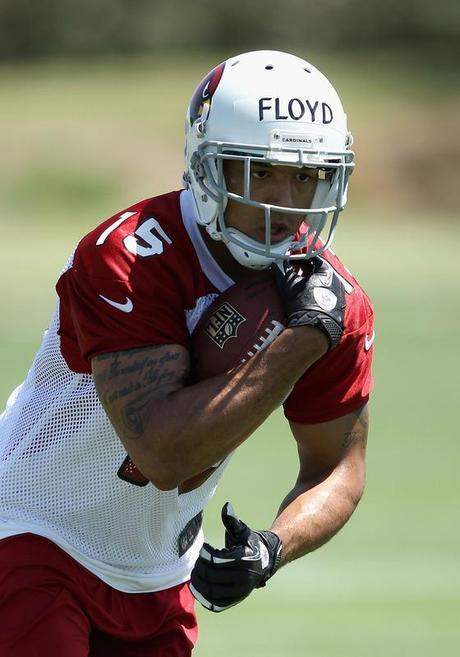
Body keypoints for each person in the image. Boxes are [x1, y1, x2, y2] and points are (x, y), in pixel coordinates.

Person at [0, 50, 374, 656]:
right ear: (210, 169)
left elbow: (335, 467)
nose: (285, 201)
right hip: (33, 533)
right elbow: (163, 452)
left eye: (305, 176)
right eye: (261, 172)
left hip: (157, 572)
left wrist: (271, 546)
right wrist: (298, 342)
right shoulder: (132, 254)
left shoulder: (331, 299)